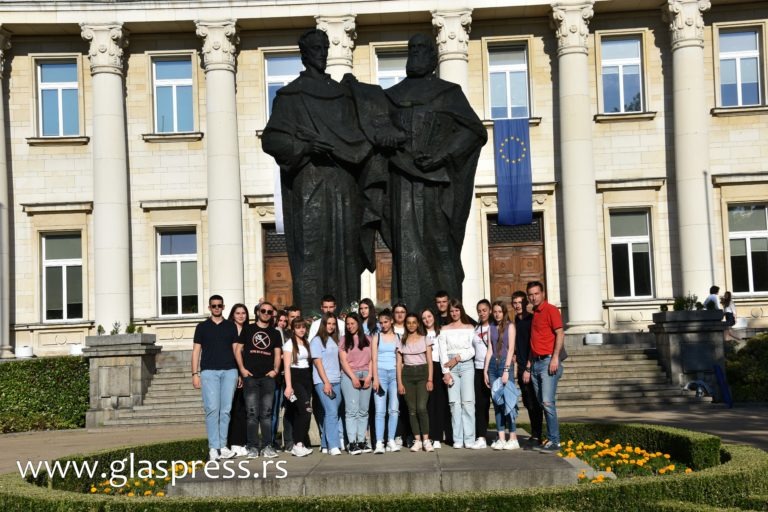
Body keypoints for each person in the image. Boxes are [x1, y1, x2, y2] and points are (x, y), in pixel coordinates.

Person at [261, 28, 372, 314]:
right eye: (316, 49)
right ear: (304, 54)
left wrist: (359, 94)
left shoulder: (342, 94)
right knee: (310, 250)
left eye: (325, 48)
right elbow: (272, 139)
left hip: (343, 182)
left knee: (345, 252)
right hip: (309, 181)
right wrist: (306, 146)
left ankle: (348, 317)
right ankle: (311, 319)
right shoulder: (291, 95)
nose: (322, 53)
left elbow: (363, 132)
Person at [374, 34, 487, 312]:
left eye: (421, 49)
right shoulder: (391, 96)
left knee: (441, 246)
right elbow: (375, 132)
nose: (414, 54)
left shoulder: (448, 93)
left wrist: (442, 155)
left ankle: (449, 314)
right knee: (407, 250)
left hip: (437, 184)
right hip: (401, 182)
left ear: (434, 58)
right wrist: (385, 139)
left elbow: (474, 132)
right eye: (411, 49)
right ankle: (410, 315)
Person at [192, 295, 240, 462]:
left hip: (230, 371)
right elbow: (196, 351)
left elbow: (236, 350)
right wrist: (194, 374)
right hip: (209, 372)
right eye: (214, 306)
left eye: (219, 305)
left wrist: (239, 372)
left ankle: (223, 446)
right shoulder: (202, 327)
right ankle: (213, 447)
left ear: (223, 307)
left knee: (225, 410)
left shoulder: (231, 326)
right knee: (212, 409)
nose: (217, 308)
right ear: (209, 307)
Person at [235, 301, 283, 459]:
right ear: (257, 312)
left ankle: (268, 446)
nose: (266, 314)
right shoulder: (248, 329)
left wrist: (276, 370)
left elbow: (277, 353)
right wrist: (242, 369)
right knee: (252, 413)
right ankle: (253, 447)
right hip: (250, 378)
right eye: (263, 310)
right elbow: (238, 350)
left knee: (267, 414)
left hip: (268, 378)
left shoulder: (275, 333)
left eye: (270, 312)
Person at [524, 281, 565, 453]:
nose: (533, 297)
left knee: (547, 402)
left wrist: (555, 357)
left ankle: (555, 441)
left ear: (543, 293)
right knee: (542, 402)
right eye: (530, 295)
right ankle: (550, 438)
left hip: (548, 361)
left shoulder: (551, 310)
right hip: (535, 363)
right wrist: (528, 365)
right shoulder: (535, 313)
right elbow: (534, 340)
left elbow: (560, 333)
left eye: (536, 293)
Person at [437, 299, 478, 449]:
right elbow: (442, 352)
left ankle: (469, 438)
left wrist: (458, 358)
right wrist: (446, 372)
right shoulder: (445, 329)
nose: (454, 313)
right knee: (454, 404)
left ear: (461, 311)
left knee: (468, 403)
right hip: (450, 367)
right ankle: (458, 439)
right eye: (452, 311)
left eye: (457, 310)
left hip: (466, 365)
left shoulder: (469, 328)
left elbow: (473, 350)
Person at [484, 300, 519, 450]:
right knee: (497, 403)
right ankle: (501, 438)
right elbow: (489, 350)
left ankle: (513, 437)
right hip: (493, 365)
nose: (497, 314)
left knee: (509, 402)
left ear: (504, 312)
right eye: (495, 311)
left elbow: (511, 349)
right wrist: (485, 370)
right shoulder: (490, 328)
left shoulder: (510, 327)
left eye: (500, 311)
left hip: (505, 364)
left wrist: (506, 370)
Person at [396, 313, 434, 452]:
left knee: (421, 408)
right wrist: (400, 383)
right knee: (412, 410)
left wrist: (430, 379)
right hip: (407, 376)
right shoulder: (401, 341)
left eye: (414, 322)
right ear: (405, 325)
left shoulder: (425, 339)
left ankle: (426, 440)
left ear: (418, 324)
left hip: (423, 374)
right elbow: (399, 363)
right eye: (408, 322)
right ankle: (417, 440)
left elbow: (430, 361)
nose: (411, 325)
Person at [511, 291, 544, 446]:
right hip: (521, 364)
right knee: (527, 400)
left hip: (531, 365)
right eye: (515, 303)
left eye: (520, 302)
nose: (518, 305)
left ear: (526, 304)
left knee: (535, 401)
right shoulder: (515, 321)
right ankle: (535, 433)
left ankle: (538, 434)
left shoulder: (532, 319)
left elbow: (533, 344)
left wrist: (528, 367)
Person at [339, 312, 373, 455]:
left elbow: (372, 359)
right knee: (352, 410)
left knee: (363, 410)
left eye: (353, 323)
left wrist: (369, 376)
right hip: (349, 375)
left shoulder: (368, 339)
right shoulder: (343, 340)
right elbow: (343, 361)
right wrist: (353, 377)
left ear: (358, 324)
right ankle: (352, 443)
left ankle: (361, 441)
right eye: (348, 324)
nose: (350, 326)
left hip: (366, 375)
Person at [310, 312, 344, 455]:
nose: (331, 326)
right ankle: (333, 445)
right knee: (331, 412)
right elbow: (317, 363)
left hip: (337, 380)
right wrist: (326, 382)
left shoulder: (337, 340)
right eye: (328, 323)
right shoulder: (316, 341)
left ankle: (324, 444)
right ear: (323, 324)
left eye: (333, 324)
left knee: (330, 414)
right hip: (323, 381)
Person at [282, 318, 314, 457]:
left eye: (303, 327)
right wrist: (288, 386)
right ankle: (298, 444)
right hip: (295, 378)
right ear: (293, 329)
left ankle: (300, 443)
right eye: (298, 327)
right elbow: (287, 367)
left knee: (300, 412)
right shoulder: (289, 344)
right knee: (306, 411)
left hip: (307, 377)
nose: (301, 330)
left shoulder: (306, 342)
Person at [371, 309, 400, 453]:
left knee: (394, 409)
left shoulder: (398, 337)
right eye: (381, 322)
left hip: (394, 375)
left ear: (391, 321)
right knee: (380, 410)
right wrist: (375, 379)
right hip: (380, 374)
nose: (383, 325)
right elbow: (374, 359)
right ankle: (379, 442)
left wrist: (400, 380)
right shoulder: (377, 336)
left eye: (386, 322)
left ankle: (391, 440)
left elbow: (400, 360)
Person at [422, 307, 452, 449]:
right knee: (428, 404)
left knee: (441, 403)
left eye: (429, 316)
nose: (427, 320)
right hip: (427, 368)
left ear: (433, 317)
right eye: (424, 318)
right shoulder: (421, 334)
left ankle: (439, 436)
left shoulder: (441, 331)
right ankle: (430, 435)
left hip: (441, 367)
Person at [226, 304, 249, 457]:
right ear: (233, 315)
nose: (241, 316)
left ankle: (242, 442)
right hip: (233, 373)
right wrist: (238, 374)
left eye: (243, 313)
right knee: (234, 409)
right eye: (238, 313)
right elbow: (232, 354)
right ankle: (234, 442)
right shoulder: (229, 329)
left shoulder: (248, 330)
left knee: (245, 409)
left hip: (248, 374)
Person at [472, 299, 492, 449]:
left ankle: (503, 435)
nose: (482, 313)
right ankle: (481, 436)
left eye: (484, 310)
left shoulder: (494, 327)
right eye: (479, 311)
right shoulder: (475, 329)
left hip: (493, 369)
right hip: (478, 369)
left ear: (490, 310)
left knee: (499, 404)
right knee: (481, 404)